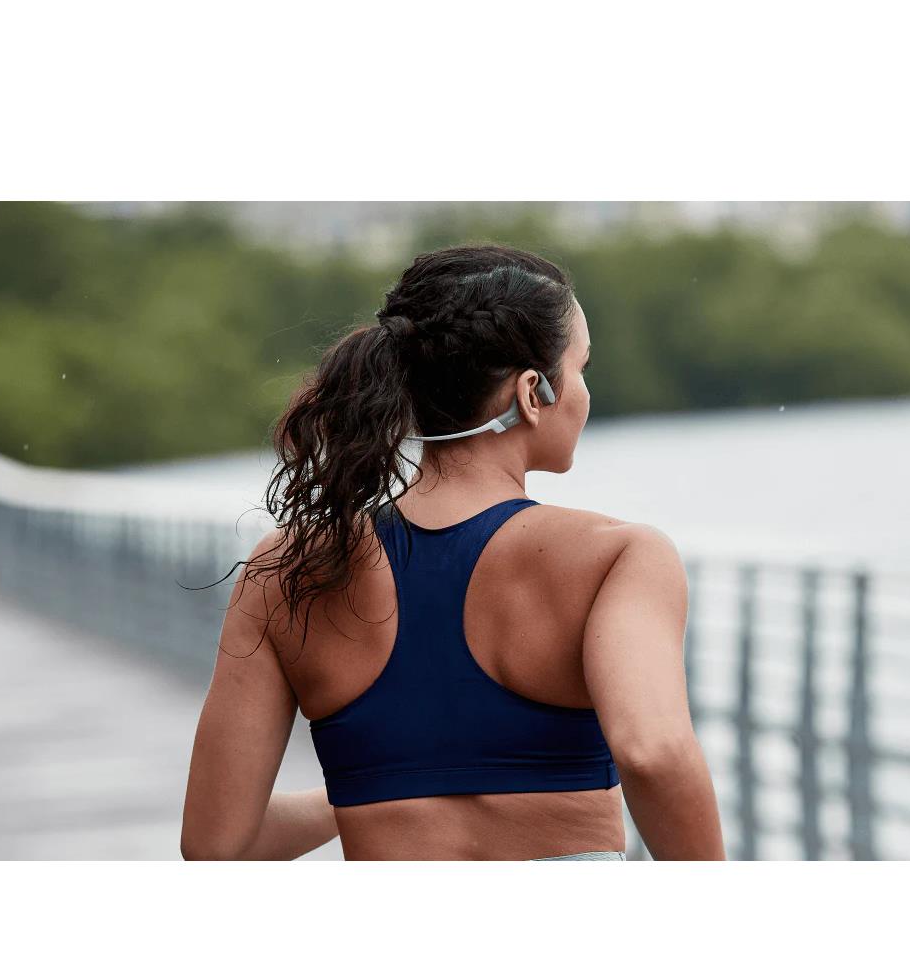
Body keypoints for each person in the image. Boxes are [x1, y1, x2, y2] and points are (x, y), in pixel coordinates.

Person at [181, 244, 725, 861]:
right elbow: (652, 752)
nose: (585, 393)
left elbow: (216, 845)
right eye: (581, 368)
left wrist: (378, 788)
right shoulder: (618, 558)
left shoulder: (286, 568)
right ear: (532, 392)